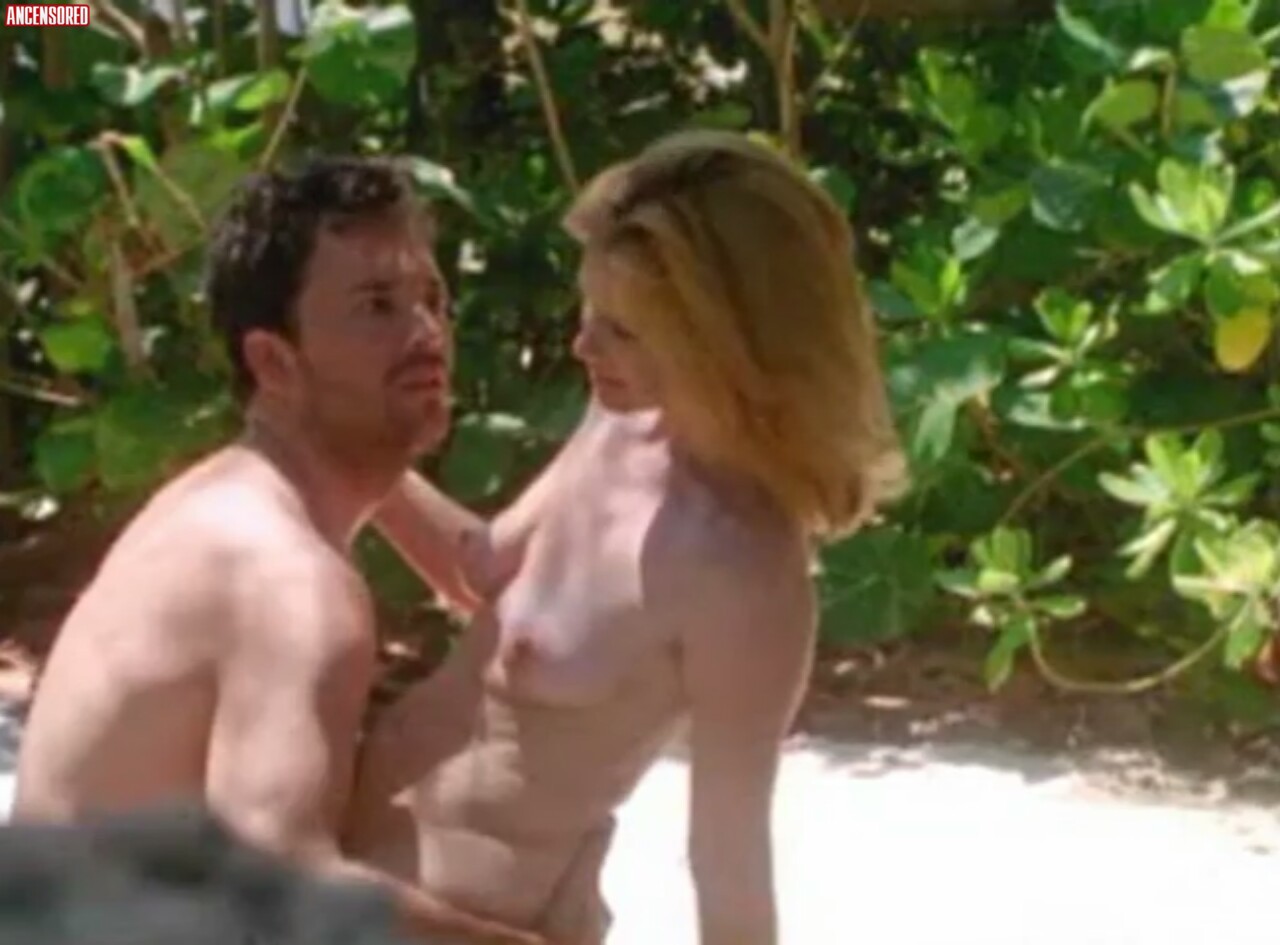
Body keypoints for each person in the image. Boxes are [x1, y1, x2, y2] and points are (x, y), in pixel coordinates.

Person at [343, 130, 908, 945]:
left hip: (465, 922)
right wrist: (346, 453)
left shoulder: (745, 576)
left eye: (625, 331)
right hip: (345, 870)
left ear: (726, 344)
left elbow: (727, 860)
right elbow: (482, 569)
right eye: (591, 313)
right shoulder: (620, 419)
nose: (584, 346)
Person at [10, 156, 541, 945]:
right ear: (274, 361)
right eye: (377, 306)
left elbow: (491, 578)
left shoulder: (253, 487)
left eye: (432, 299)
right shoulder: (289, 577)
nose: (427, 333)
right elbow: (279, 882)